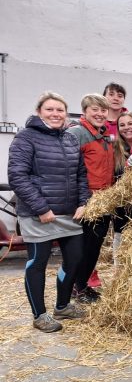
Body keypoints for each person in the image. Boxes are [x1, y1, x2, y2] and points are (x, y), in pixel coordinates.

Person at [8, 92, 89, 332]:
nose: (55, 114)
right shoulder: (25, 138)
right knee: (37, 263)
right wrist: (42, 208)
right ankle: (39, 315)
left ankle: (62, 306)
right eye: (50, 110)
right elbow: (17, 176)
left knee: (75, 259)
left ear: (66, 113)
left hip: (69, 213)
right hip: (39, 215)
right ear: (39, 113)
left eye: (60, 110)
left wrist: (84, 202)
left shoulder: (70, 139)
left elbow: (81, 175)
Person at [67, 93, 115, 303]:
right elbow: (70, 169)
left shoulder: (102, 134)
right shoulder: (76, 133)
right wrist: (81, 199)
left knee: (94, 246)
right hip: (88, 199)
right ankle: (76, 287)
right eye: (94, 109)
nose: (100, 113)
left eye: (103, 110)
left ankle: (82, 285)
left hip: (104, 198)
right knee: (85, 247)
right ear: (85, 111)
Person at [112, 112, 132, 260]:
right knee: (121, 248)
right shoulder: (115, 150)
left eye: (130, 123)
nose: (126, 128)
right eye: (122, 125)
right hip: (122, 209)